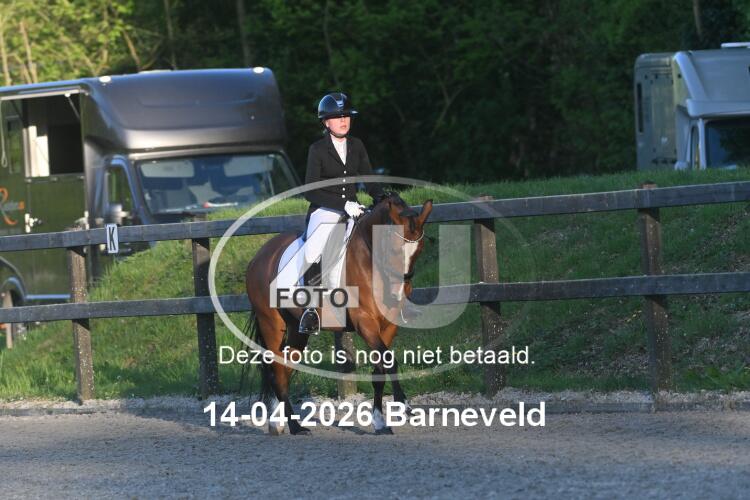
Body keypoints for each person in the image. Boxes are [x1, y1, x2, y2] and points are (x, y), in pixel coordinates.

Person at [298, 92, 385, 334]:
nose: (343, 120)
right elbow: (311, 191)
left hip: (354, 209)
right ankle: (311, 309)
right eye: (337, 117)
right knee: (314, 249)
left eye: (346, 116)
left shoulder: (357, 145)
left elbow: (368, 178)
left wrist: (381, 199)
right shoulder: (317, 149)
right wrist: (342, 204)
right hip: (324, 209)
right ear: (326, 122)